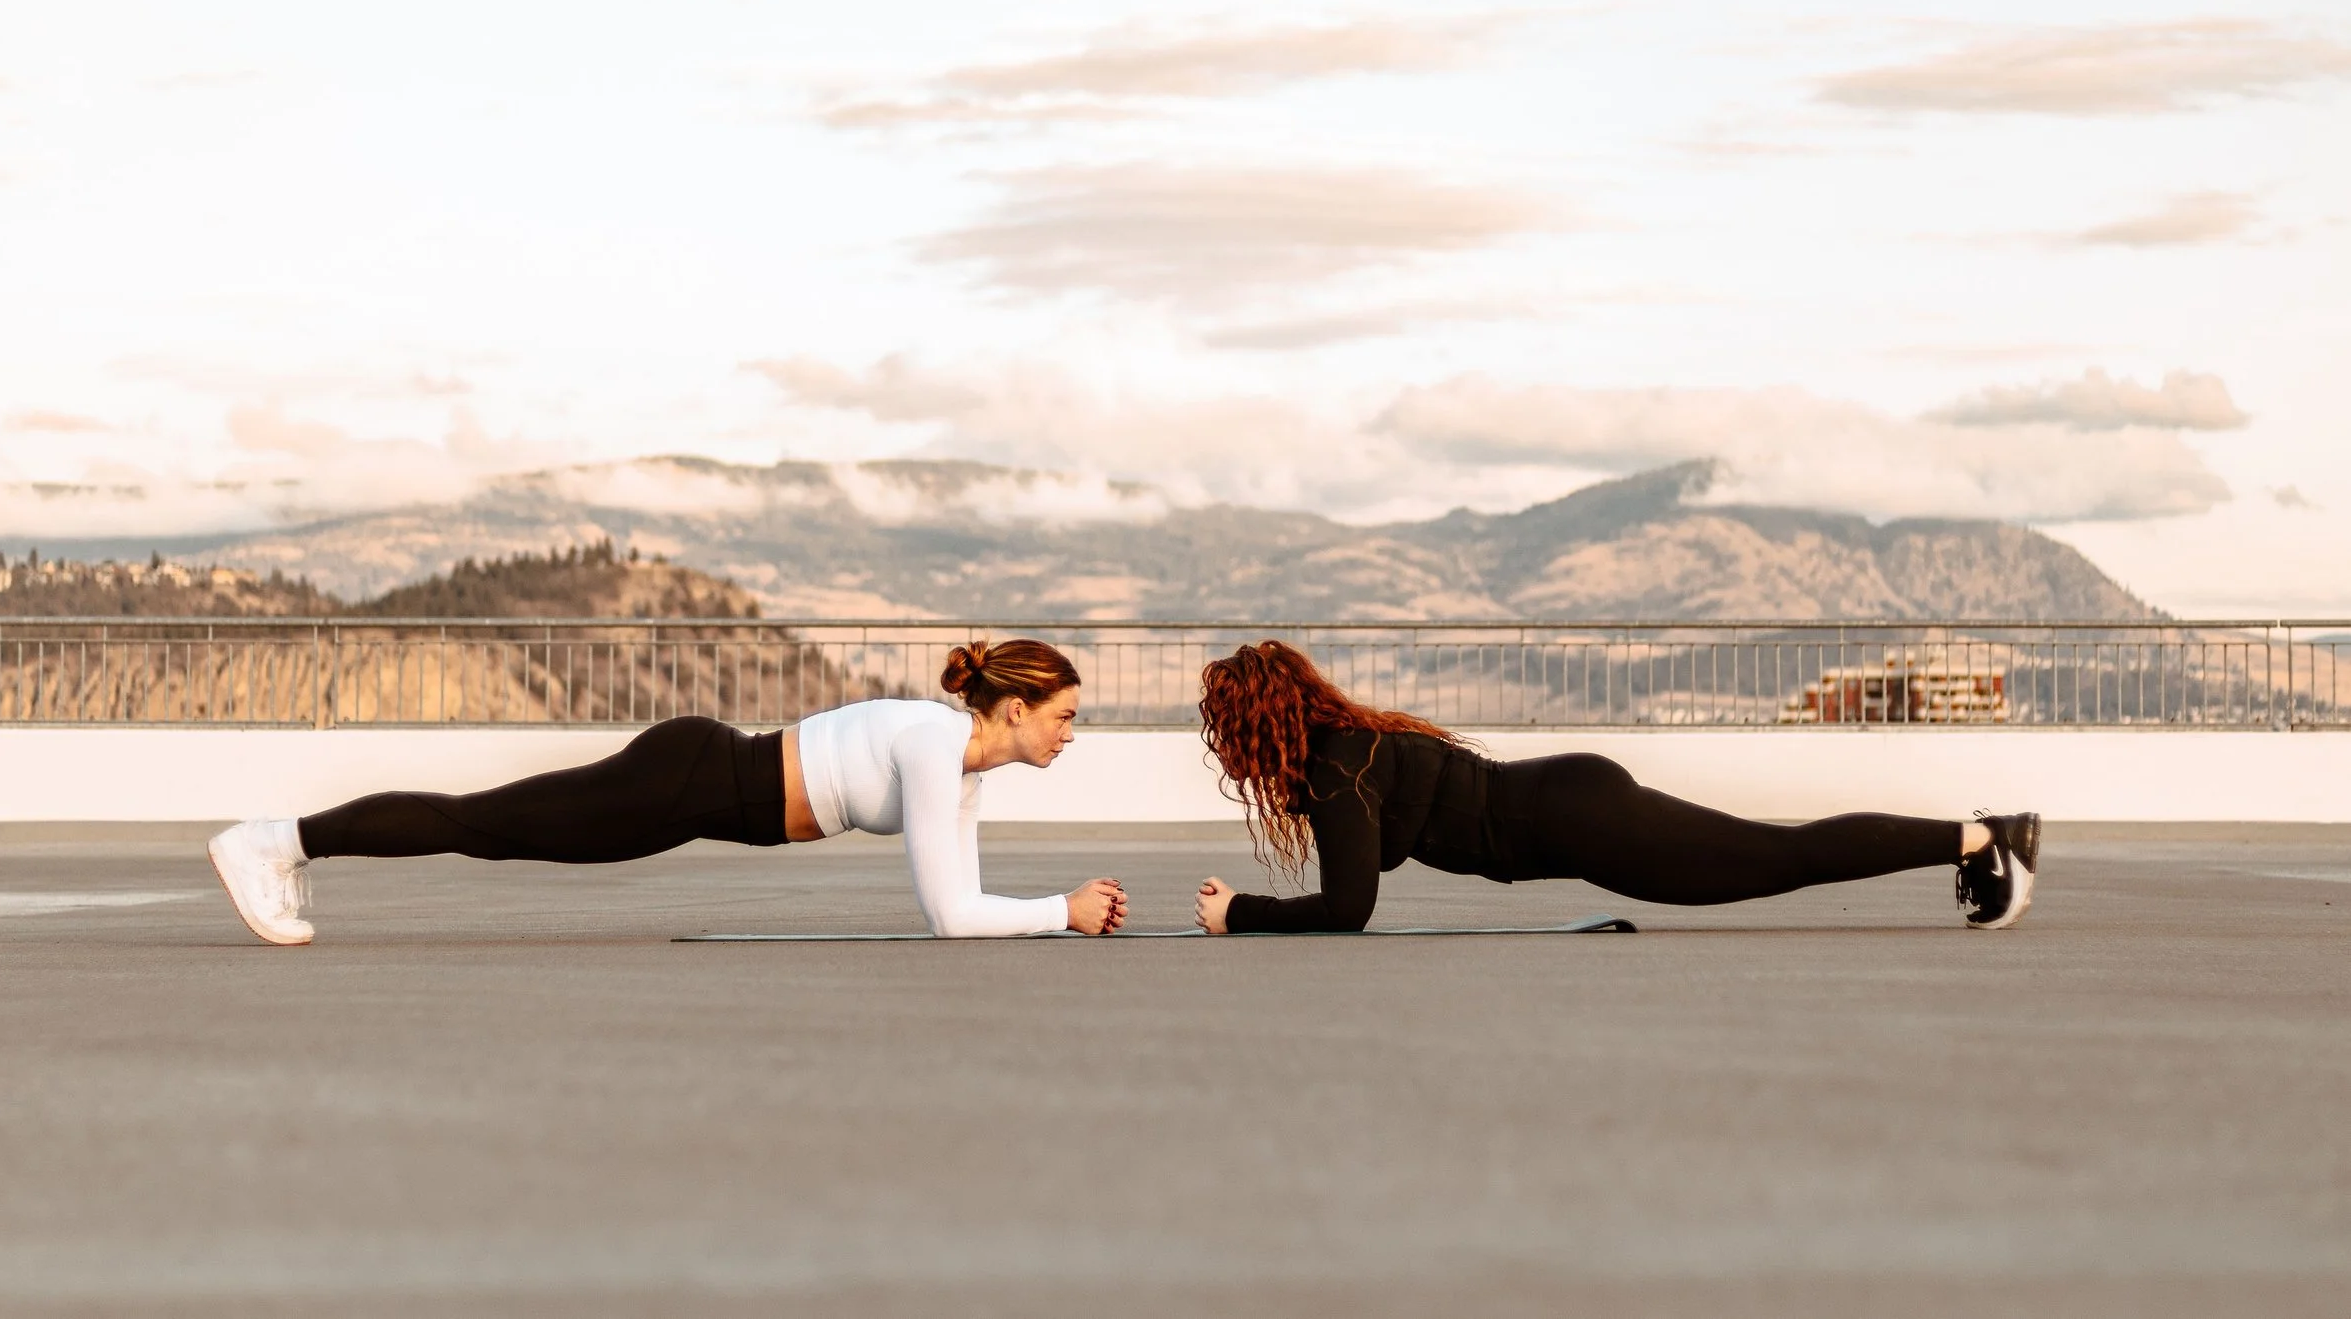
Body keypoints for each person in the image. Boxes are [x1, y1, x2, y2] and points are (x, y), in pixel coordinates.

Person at [208, 638, 1128, 945]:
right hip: (686, 781)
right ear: (1012, 707)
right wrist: (1063, 910)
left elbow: (958, 902)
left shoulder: (959, 766)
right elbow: (953, 920)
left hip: (695, 783)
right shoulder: (935, 747)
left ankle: (283, 843)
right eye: (1063, 714)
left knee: (487, 826)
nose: (1069, 732)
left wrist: (1057, 909)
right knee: (482, 824)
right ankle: (273, 841)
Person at [1188, 641, 2038, 935]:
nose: (1225, 749)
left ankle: (1986, 838)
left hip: (1582, 820)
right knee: (1780, 852)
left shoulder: (1342, 768)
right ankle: (1978, 836)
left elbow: (1347, 909)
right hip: (1574, 804)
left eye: (1229, 730)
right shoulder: (1345, 753)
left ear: (1263, 724)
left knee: (1783, 855)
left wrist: (1242, 912)